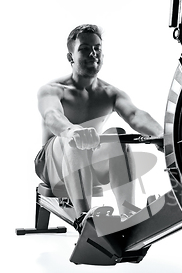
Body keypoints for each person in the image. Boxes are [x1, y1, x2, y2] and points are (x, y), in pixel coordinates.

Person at [35, 24, 163, 231]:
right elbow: (52, 116)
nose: (93, 53)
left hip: (87, 163)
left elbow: (136, 115)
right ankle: (84, 219)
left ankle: (128, 213)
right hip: (51, 166)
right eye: (85, 48)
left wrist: (160, 134)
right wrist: (72, 130)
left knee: (116, 136)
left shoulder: (110, 93)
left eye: (97, 48)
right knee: (73, 139)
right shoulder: (52, 90)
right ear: (70, 57)